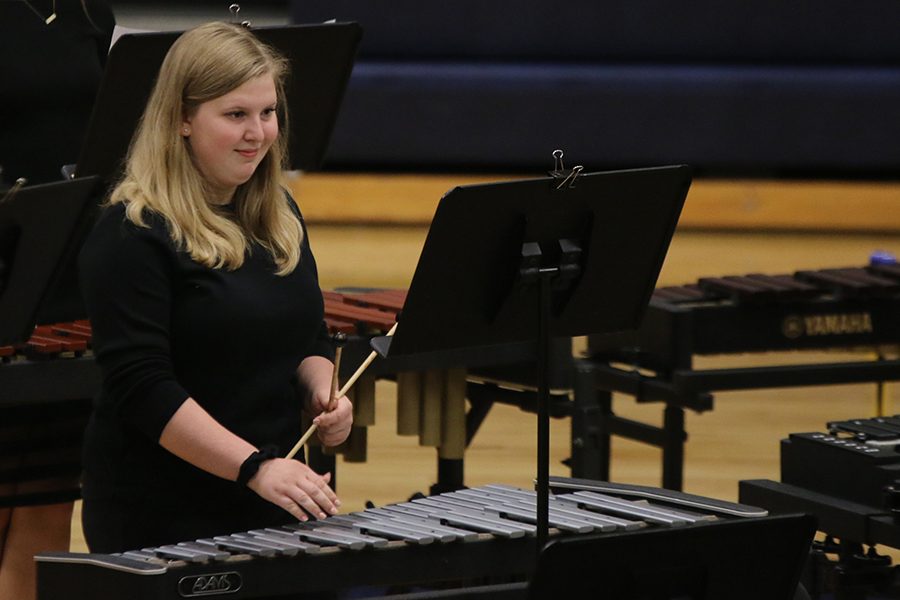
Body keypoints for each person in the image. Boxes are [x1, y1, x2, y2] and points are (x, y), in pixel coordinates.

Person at [77, 21, 353, 554]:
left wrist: (321, 391)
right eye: (235, 115)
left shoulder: (277, 214)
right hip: (165, 513)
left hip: (278, 496)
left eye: (267, 112)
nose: (259, 133)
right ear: (182, 119)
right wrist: (252, 467)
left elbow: (310, 339)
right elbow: (144, 388)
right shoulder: (132, 232)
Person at [0, 3, 114, 599]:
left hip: (70, 271)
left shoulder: (85, 6)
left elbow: (100, 134)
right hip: (2, 260)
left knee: (48, 507)